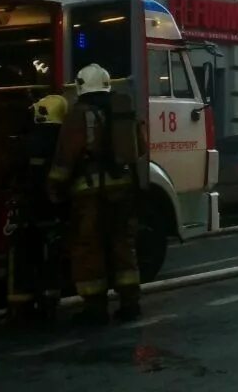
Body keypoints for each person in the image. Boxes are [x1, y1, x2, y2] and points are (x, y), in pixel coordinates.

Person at [49, 64, 145, 324]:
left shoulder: (78, 115)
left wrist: (54, 190)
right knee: (122, 245)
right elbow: (141, 148)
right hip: (122, 189)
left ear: (80, 86)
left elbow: (64, 158)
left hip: (90, 195)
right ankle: (130, 304)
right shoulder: (122, 110)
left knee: (89, 249)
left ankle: (95, 308)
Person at [6, 94, 69, 324]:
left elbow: (12, 168)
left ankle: (19, 308)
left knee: (22, 256)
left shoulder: (28, 139)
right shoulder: (62, 141)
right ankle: (50, 305)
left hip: (25, 208)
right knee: (51, 257)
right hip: (52, 209)